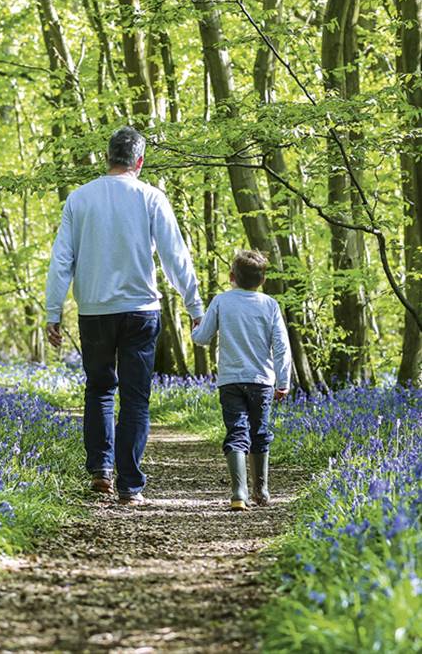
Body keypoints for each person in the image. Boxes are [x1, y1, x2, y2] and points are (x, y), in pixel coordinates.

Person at [45, 127, 204, 505]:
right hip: (141, 311)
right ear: (139, 161)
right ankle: (130, 485)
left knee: (99, 389)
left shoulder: (79, 199)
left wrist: (53, 312)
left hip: (95, 311)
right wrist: (195, 306)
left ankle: (101, 472)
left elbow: (61, 260)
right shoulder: (151, 197)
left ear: (107, 157)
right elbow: (174, 256)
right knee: (135, 398)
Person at [191, 250, 291, 510]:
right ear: (263, 279)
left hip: (231, 380)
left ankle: (239, 493)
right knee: (260, 432)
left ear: (232, 276)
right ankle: (262, 491)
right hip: (262, 381)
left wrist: (195, 325)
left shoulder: (221, 301)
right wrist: (283, 381)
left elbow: (202, 338)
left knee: (236, 431)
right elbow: (281, 346)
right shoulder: (270, 305)